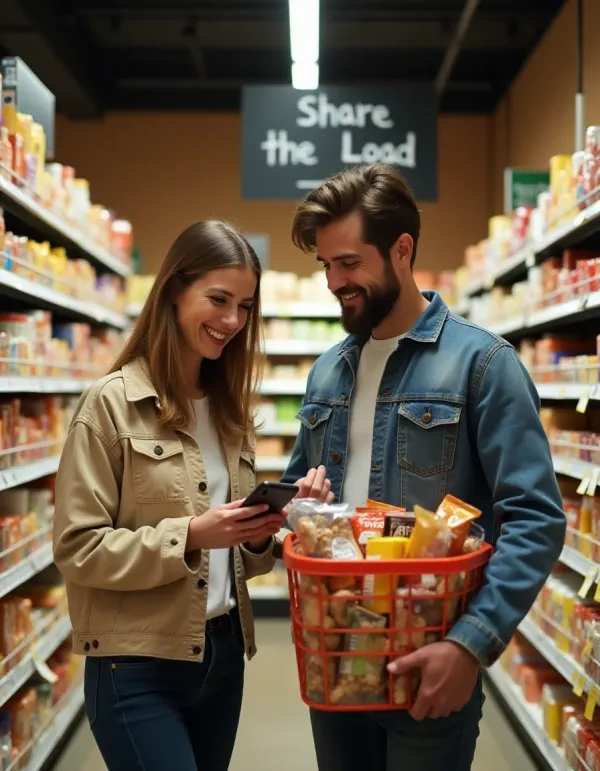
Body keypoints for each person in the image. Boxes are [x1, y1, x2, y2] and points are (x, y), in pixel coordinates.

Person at [282, 164, 566, 771]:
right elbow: (300, 498)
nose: (334, 281)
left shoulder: (483, 365)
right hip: (337, 650)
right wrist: (288, 510)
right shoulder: (327, 372)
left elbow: (536, 518)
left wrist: (471, 646)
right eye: (326, 265)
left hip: (429, 656)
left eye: (350, 263)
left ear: (402, 250)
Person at [52, 220, 329, 771]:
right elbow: (77, 549)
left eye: (245, 306)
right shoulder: (110, 405)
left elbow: (242, 559)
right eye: (218, 299)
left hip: (223, 656)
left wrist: (272, 522)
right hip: (136, 666)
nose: (231, 321)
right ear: (175, 289)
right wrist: (192, 535)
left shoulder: (228, 411)